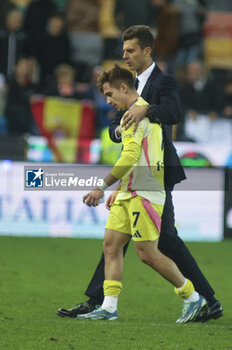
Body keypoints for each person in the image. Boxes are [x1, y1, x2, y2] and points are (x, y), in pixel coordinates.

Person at [57, 25, 223, 322]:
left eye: (131, 50)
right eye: (124, 50)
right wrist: (122, 129)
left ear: (147, 50)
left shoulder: (164, 81)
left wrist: (145, 111)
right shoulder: (124, 85)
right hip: (135, 175)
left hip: (156, 171)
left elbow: (173, 113)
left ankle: (203, 299)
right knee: (119, 240)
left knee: (159, 243)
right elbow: (115, 126)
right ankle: (103, 302)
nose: (125, 55)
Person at [77, 64, 206, 322]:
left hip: (145, 193)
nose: (108, 101)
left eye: (109, 94)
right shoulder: (136, 112)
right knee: (111, 245)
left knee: (147, 253)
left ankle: (193, 297)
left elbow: (130, 157)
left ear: (124, 87)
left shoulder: (135, 115)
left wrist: (101, 187)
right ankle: (109, 307)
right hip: (130, 191)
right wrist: (120, 189)